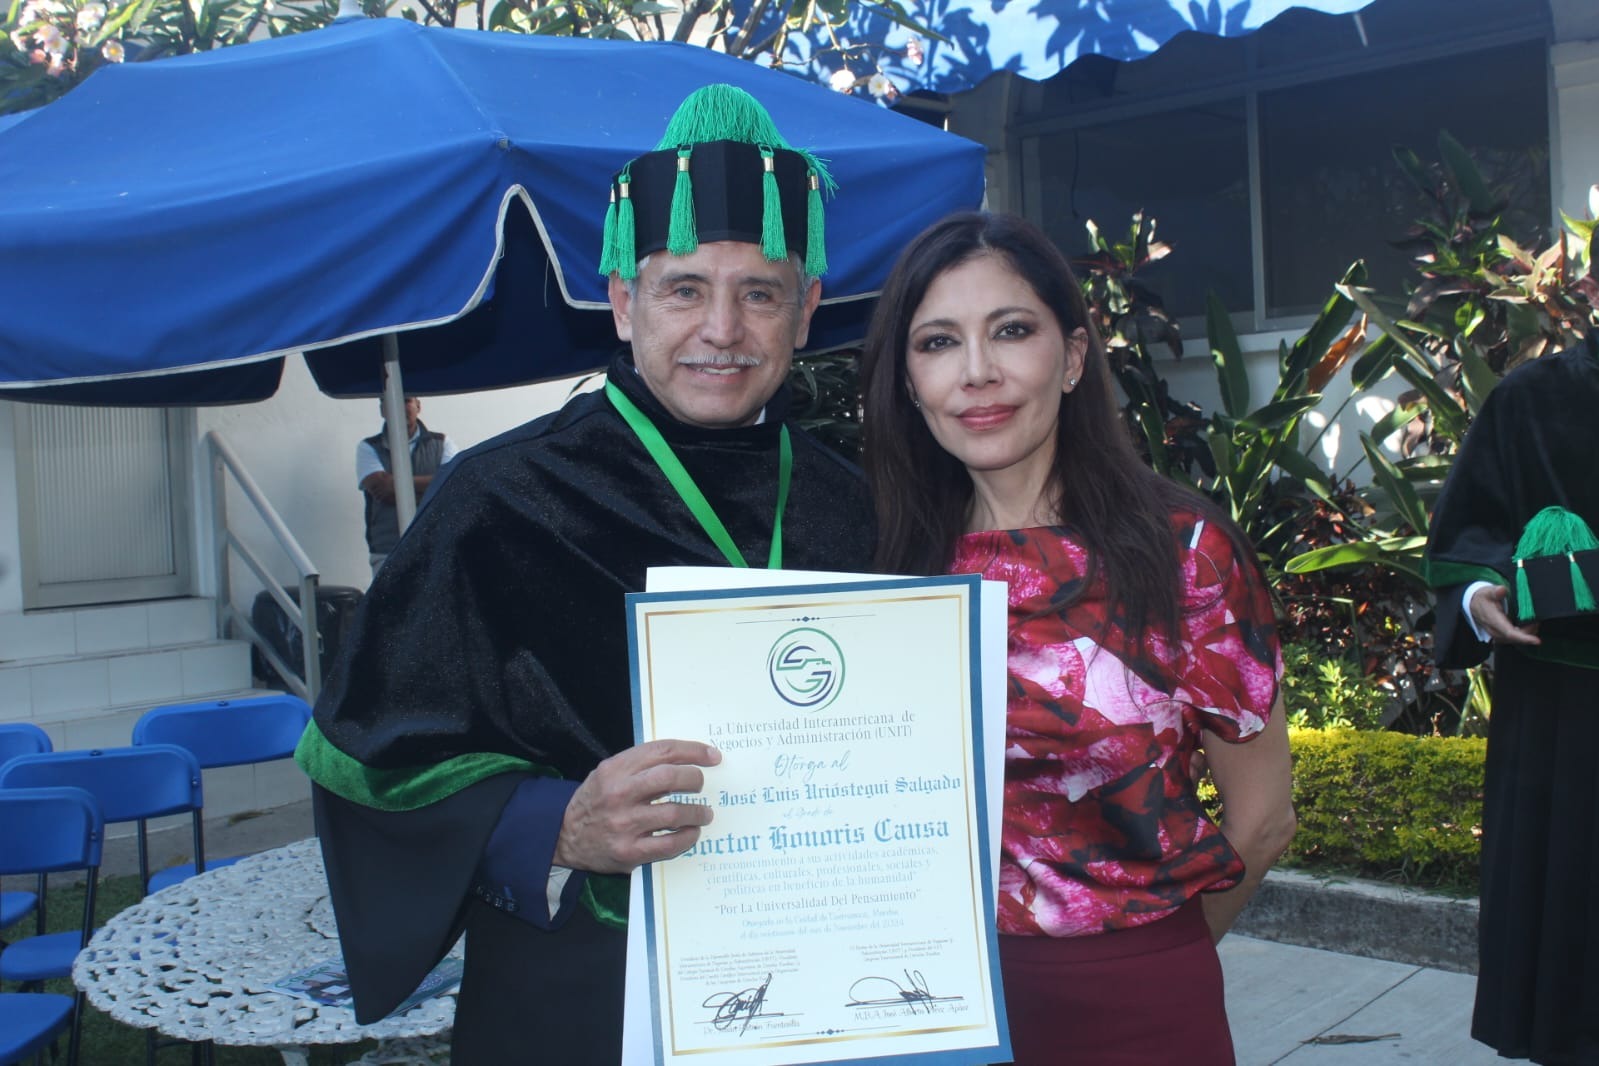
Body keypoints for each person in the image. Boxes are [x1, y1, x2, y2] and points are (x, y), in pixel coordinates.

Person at [293, 84, 873, 1065]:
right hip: (578, 992)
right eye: (683, 289)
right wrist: (551, 824)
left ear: (806, 311)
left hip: (823, 986)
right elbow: (362, 760)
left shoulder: (862, 508)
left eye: (759, 293)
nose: (722, 329)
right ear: (621, 302)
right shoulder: (496, 500)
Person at [859, 212, 1296, 1065]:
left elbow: (1262, 821)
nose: (977, 372)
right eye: (938, 342)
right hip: (916, 1003)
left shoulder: (1184, 553)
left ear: (1071, 357)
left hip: (1137, 1004)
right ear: (908, 381)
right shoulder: (881, 566)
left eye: (1011, 331)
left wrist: (1153, 962)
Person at [1425, 323, 1599, 1064]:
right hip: (1567, 712)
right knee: (1573, 944)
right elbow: (1465, 535)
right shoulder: (1531, 397)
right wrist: (1476, 593)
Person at [356, 394, 458, 575]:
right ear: (382, 410)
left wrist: (394, 483)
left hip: (435, 545)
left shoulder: (442, 443)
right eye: (390, 401)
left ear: (418, 406)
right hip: (387, 550)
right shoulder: (368, 447)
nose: (399, 406)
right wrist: (433, 487)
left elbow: (452, 486)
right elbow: (382, 490)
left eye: (406, 400)